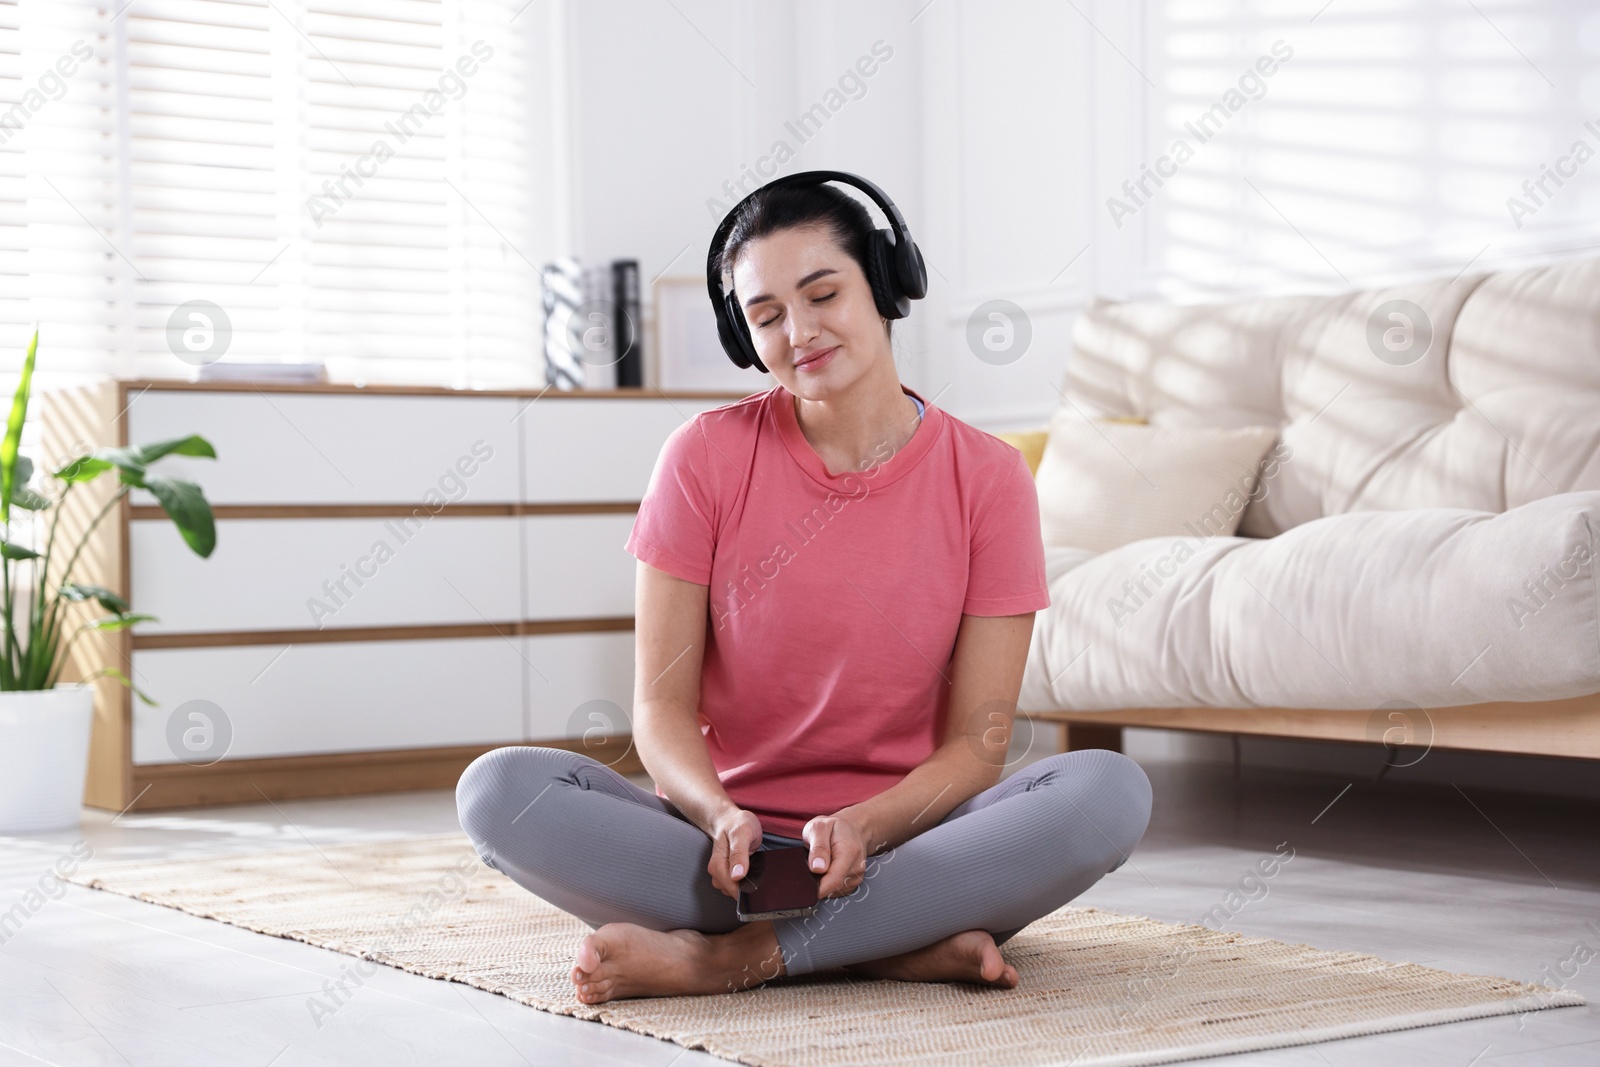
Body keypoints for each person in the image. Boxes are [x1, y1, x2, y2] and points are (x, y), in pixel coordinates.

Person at [456, 175, 1152, 1005]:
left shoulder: (990, 478)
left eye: (824, 293)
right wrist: (718, 816)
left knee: (1110, 791)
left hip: (911, 843)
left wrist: (866, 825)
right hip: (727, 858)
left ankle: (732, 960)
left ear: (887, 286)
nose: (801, 331)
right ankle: (889, 942)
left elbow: (978, 745)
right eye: (767, 315)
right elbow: (661, 713)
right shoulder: (702, 457)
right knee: (497, 791)